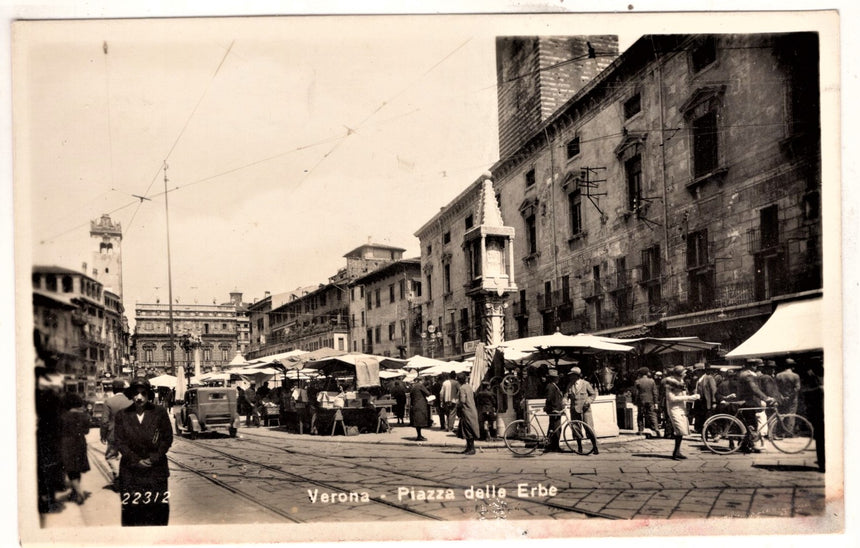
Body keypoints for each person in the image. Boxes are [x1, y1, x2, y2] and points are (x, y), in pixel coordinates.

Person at [114, 377, 174, 526]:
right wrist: (136, 460)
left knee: (157, 512)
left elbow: (167, 439)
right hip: (131, 470)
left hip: (156, 470)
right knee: (132, 513)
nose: (139, 397)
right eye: (136, 393)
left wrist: (154, 458)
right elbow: (119, 441)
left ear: (149, 394)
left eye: (143, 393)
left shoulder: (159, 412)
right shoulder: (122, 415)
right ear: (131, 395)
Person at [59, 393, 91, 505]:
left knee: (69, 469)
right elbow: (86, 431)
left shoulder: (62, 416)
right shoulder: (85, 416)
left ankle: (78, 492)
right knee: (77, 468)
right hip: (80, 443)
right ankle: (74, 492)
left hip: (66, 444)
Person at [663, 365, 700, 460]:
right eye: (683, 373)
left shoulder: (681, 381)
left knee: (682, 431)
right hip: (674, 409)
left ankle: (677, 451)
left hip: (681, 408)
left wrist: (692, 398)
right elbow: (671, 398)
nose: (685, 374)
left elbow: (682, 395)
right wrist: (689, 398)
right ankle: (675, 453)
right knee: (679, 430)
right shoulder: (670, 383)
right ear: (679, 374)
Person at [737, 360, 775, 453]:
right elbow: (754, 389)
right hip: (751, 401)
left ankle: (745, 444)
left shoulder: (742, 374)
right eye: (755, 365)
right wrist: (765, 398)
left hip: (744, 400)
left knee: (747, 423)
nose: (756, 367)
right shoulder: (748, 375)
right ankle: (755, 444)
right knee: (754, 423)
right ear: (751, 366)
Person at [101, 379, 132, 488]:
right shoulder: (130, 401)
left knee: (111, 456)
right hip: (129, 435)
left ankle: (118, 474)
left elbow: (104, 422)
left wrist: (103, 436)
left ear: (113, 389)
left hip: (113, 434)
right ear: (124, 389)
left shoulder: (108, 402)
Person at [567, 367, 599, 455]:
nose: (570, 377)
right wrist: (564, 402)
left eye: (572, 375)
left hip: (585, 410)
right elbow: (565, 396)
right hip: (574, 410)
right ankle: (579, 447)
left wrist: (588, 401)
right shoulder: (570, 385)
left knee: (589, 428)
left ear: (577, 376)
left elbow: (593, 394)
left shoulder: (586, 384)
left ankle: (595, 447)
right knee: (576, 429)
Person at [775, 359, 802, 431]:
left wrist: (781, 396)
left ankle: (781, 431)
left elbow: (776, 388)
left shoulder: (778, 375)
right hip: (792, 399)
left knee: (782, 414)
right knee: (791, 415)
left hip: (781, 398)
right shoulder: (795, 376)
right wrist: (789, 396)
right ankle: (789, 431)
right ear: (792, 367)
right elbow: (797, 388)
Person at [456, 376, 480, 455]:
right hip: (472, 410)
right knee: (470, 428)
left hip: (466, 411)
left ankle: (471, 449)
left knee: (467, 430)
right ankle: (468, 448)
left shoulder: (462, 388)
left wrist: (456, 404)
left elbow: (462, 401)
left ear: (458, 380)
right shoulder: (469, 387)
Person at [633, 367, 660, 437]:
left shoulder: (637, 381)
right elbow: (655, 392)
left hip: (641, 400)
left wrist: (635, 401)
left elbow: (636, 393)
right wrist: (656, 402)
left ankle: (640, 430)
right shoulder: (652, 381)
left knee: (640, 415)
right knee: (652, 415)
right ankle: (656, 429)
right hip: (650, 400)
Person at [543, 369, 565, 452]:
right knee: (556, 429)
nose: (558, 379)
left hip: (557, 410)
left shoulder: (554, 386)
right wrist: (553, 409)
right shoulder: (551, 386)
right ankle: (554, 447)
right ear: (553, 379)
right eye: (556, 378)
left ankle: (551, 446)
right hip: (554, 410)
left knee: (554, 428)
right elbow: (549, 399)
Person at [693, 364, 718, 434]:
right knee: (701, 419)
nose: (696, 373)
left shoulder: (709, 378)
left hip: (706, 401)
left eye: (697, 371)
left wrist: (714, 401)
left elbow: (714, 390)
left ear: (701, 371)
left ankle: (715, 434)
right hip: (699, 402)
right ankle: (704, 435)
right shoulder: (698, 379)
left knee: (708, 418)